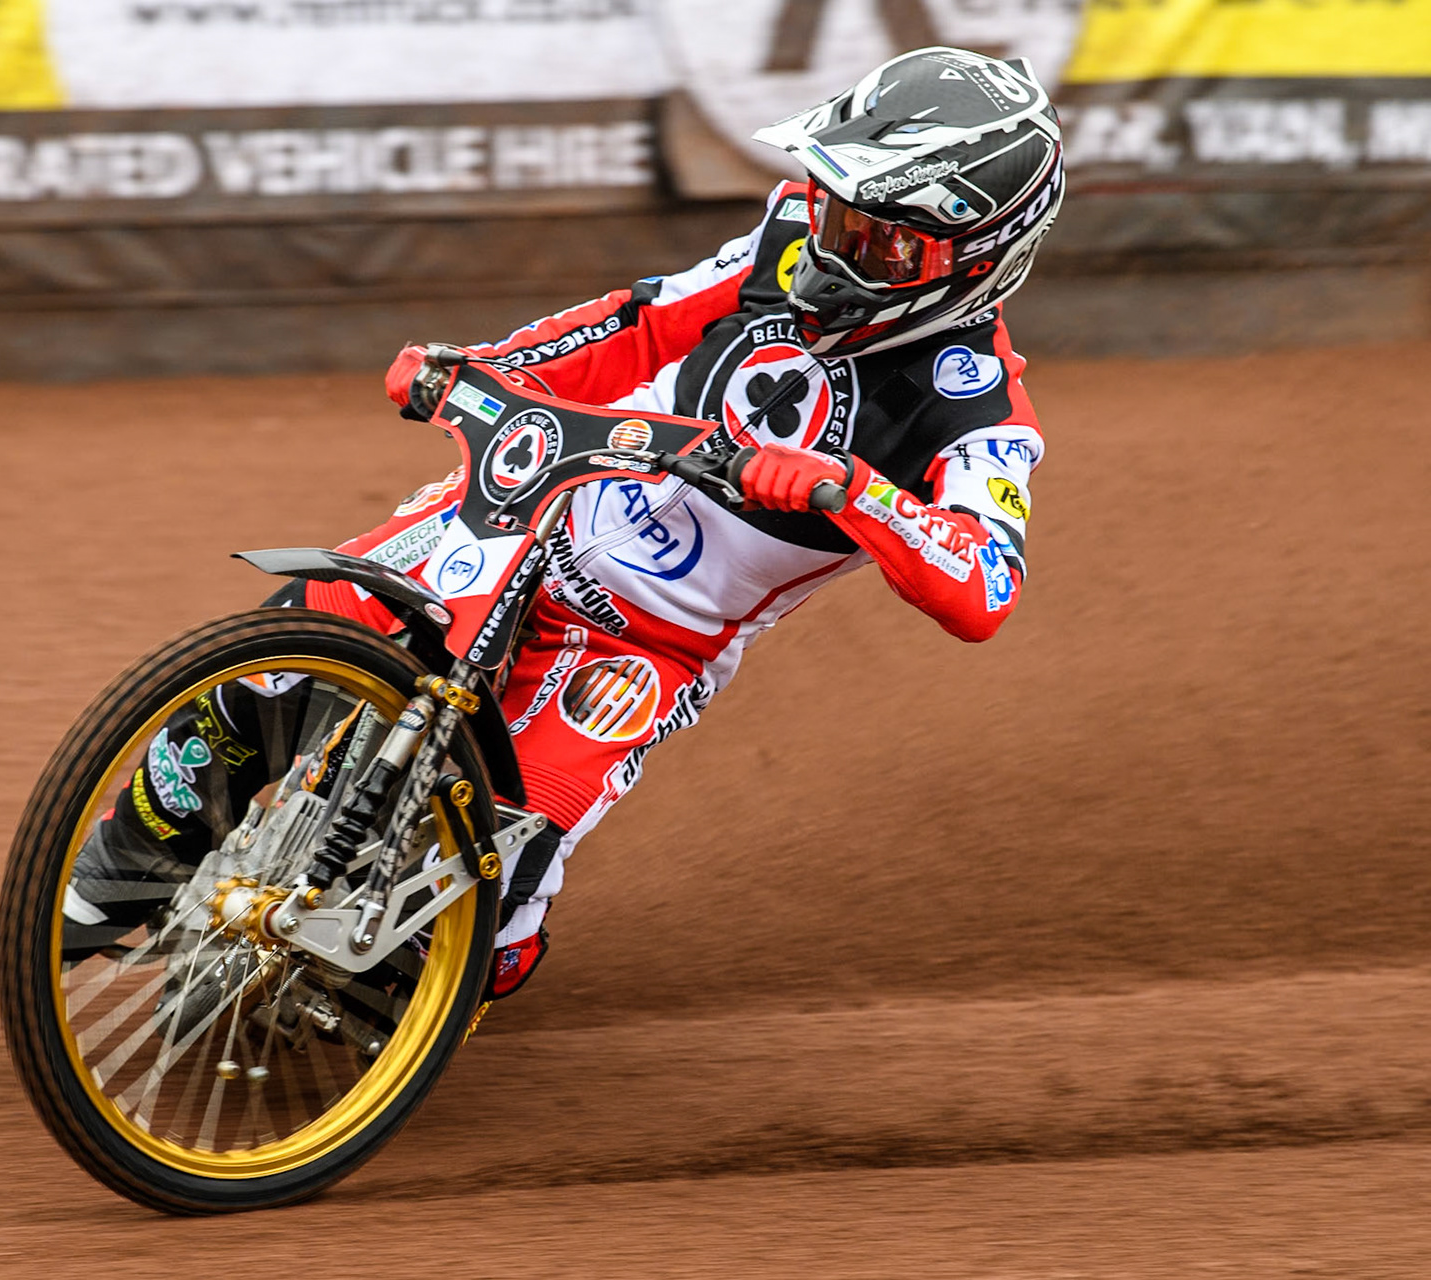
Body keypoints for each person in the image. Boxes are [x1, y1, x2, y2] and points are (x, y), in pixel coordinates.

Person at [76, 46, 1063, 1002]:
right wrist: (485, 369)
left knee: (481, 928)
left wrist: (850, 489)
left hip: (645, 643)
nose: (836, 242)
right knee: (283, 642)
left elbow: (986, 584)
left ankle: (395, 1004)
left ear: (976, 258)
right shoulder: (791, 236)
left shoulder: (977, 409)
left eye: (877, 237)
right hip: (533, 509)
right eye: (838, 205)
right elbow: (642, 321)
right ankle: (114, 871)